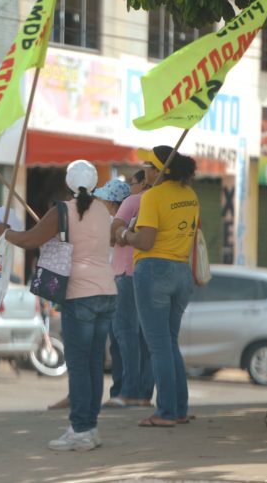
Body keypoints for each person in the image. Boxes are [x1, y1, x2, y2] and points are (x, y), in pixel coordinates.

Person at [0, 160, 116, 451]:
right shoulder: (103, 210)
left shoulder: (63, 210)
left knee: (78, 364)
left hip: (79, 293)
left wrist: (6, 232)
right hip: (107, 291)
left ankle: (79, 430)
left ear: (67, 182)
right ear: (94, 184)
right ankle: (90, 427)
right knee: (93, 364)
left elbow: (30, 239)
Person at [115, 146, 199, 427]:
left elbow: (146, 241)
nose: (146, 170)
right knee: (169, 343)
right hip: (181, 272)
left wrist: (124, 234)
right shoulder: (190, 195)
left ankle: (165, 412)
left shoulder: (151, 197)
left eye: (150, 165)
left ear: (162, 169)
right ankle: (179, 409)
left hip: (154, 270)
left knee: (159, 346)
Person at [107, 171, 154, 408]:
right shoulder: (160, 200)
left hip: (125, 273)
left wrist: (123, 233)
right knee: (147, 337)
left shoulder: (133, 201)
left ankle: (129, 391)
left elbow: (113, 235)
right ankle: (144, 393)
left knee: (125, 334)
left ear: (143, 181)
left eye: (132, 183)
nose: (130, 188)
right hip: (150, 274)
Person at [93, 179, 133, 408]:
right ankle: (119, 389)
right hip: (112, 283)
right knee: (118, 342)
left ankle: (121, 389)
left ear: (110, 202)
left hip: (112, 284)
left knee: (119, 341)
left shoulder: (109, 223)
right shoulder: (120, 221)